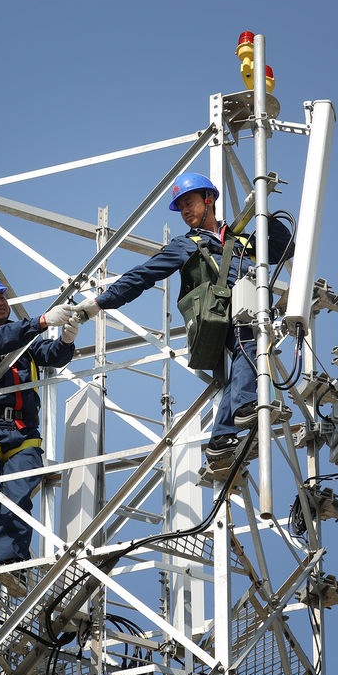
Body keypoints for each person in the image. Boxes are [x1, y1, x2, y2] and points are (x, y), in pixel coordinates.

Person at [72, 172, 293, 470]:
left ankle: (221, 439)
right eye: (181, 207)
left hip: (250, 305)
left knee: (248, 355)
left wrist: (262, 209)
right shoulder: (185, 245)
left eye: (189, 203)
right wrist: (100, 302)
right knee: (249, 344)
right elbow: (143, 275)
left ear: (209, 199)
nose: (186, 212)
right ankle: (243, 407)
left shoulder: (241, 239)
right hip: (220, 311)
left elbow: (284, 247)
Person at [0, 270, 78, 586]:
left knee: (18, 495)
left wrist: (65, 340)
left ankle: (11, 564)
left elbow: (50, 355)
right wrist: (39, 323)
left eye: (0, 296)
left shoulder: (23, 338)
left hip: (23, 432)